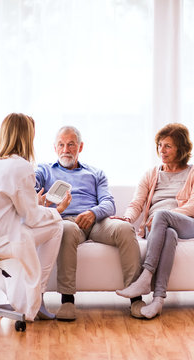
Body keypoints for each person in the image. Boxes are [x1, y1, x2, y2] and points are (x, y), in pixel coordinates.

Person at [0, 113, 71, 322]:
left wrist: (34, 203)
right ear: (27, 137)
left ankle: (15, 295)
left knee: (28, 233)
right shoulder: (21, 166)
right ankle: (37, 296)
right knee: (56, 225)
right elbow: (31, 219)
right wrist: (57, 210)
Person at [35, 126, 143, 321]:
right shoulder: (44, 171)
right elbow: (31, 194)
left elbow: (109, 203)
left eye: (71, 144)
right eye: (61, 144)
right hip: (67, 220)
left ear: (80, 147)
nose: (65, 149)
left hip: (96, 221)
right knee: (66, 228)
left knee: (126, 229)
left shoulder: (95, 173)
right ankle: (67, 300)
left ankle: (135, 297)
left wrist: (93, 213)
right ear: (54, 147)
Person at [114, 123, 194, 318]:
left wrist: (164, 215)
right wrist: (127, 218)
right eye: (160, 145)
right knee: (169, 233)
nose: (161, 151)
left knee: (163, 215)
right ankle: (157, 300)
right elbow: (137, 203)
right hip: (157, 228)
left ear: (181, 149)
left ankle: (145, 276)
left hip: (188, 223)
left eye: (168, 146)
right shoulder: (151, 174)